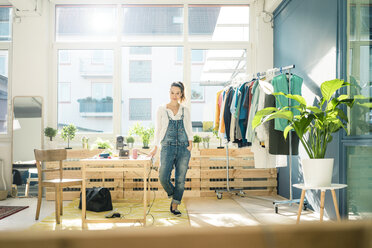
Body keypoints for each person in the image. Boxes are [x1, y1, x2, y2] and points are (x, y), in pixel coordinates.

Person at [149, 81, 193, 216]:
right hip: (167, 147)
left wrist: (190, 143)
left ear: (181, 94)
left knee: (180, 179)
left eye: (177, 93)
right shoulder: (161, 109)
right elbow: (158, 129)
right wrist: (155, 146)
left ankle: (175, 205)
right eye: (172, 92)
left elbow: (188, 127)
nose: (174, 95)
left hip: (183, 147)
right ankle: (175, 195)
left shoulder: (185, 110)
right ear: (169, 93)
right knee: (163, 176)